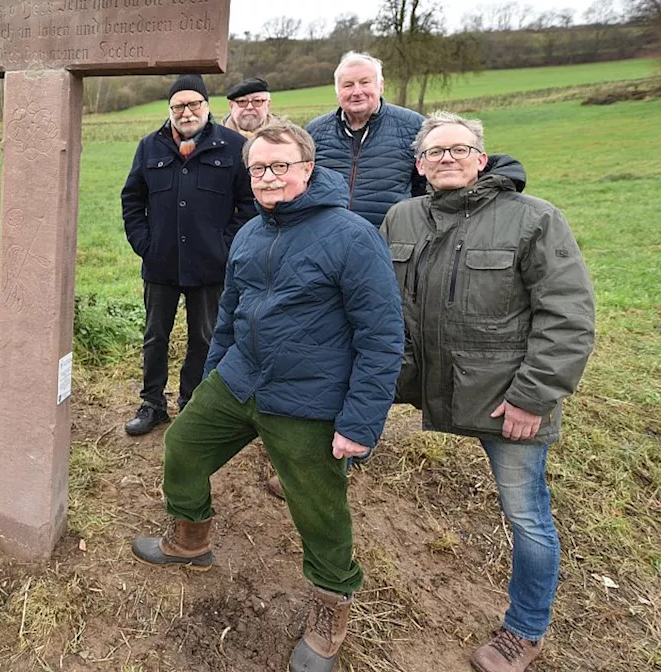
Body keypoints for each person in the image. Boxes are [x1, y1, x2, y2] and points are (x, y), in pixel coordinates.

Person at [131, 122, 403, 672]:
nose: (268, 176)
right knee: (182, 446)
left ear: (307, 167)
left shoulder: (351, 235)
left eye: (280, 166)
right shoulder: (252, 233)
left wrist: (360, 421)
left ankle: (331, 606)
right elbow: (228, 314)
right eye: (258, 168)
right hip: (239, 382)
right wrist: (213, 375)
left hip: (307, 399)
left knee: (317, 507)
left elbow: (382, 334)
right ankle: (190, 537)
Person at [381, 112, 595, 672]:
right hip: (420, 378)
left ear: (482, 158)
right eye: (435, 152)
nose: (446, 158)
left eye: (458, 149)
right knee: (353, 425)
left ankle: (524, 630)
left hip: (506, 396)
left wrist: (534, 396)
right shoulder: (400, 218)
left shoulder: (533, 220)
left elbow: (567, 316)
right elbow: (379, 304)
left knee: (526, 515)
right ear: (420, 165)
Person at [120, 74, 257, 436]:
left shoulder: (233, 147)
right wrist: (145, 244)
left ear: (207, 106)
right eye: (179, 105)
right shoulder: (150, 147)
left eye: (194, 103)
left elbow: (248, 204)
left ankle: (192, 402)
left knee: (205, 336)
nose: (187, 111)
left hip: (211, 266)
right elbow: (132, 199)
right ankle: (152, 403)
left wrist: (225, 248)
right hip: (160, 263)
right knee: (155, 336)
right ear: (170, 110)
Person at [306, 52, 426, 228]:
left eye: (365, 82)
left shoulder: (414, 126)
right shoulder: (315, 131)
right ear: (337, 91)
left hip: (391, 240)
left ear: (381, 86)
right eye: (348, 85)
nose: (357, 92)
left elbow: (426, 186)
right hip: (329, 240)